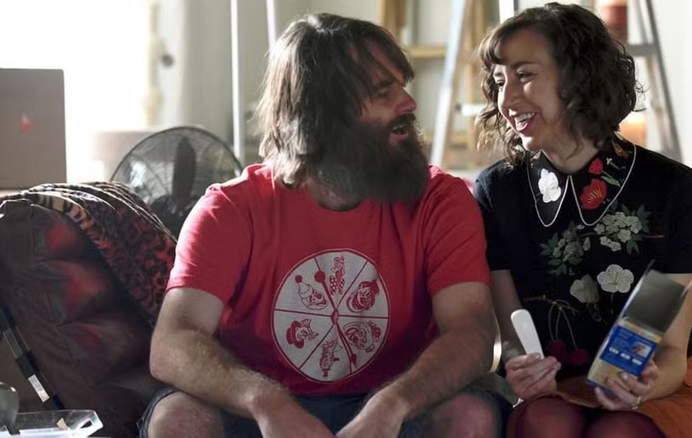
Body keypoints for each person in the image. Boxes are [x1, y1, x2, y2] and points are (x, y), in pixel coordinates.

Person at [140, 13, 500, 438]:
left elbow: (472, 333)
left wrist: (392, 405)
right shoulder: (229, 210)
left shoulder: (441, 199)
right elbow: (173, 342)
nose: (409, 103)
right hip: (259, 411)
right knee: (177, 421)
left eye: (401, 85)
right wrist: (266, 402)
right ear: (324, 116)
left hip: (400, 402)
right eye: (383, 92)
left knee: (471, 417)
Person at [472, 3, 692, 437]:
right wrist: (522, 370)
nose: (506, 100)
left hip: (656, 390)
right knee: (545, 422)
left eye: (524, 75)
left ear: (579, 77)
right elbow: (515, 337)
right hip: (552, 393)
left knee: (619, 432)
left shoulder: (669, 185)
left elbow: (672, 352)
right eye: (500, 81)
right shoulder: (497, 191)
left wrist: (643, 385)